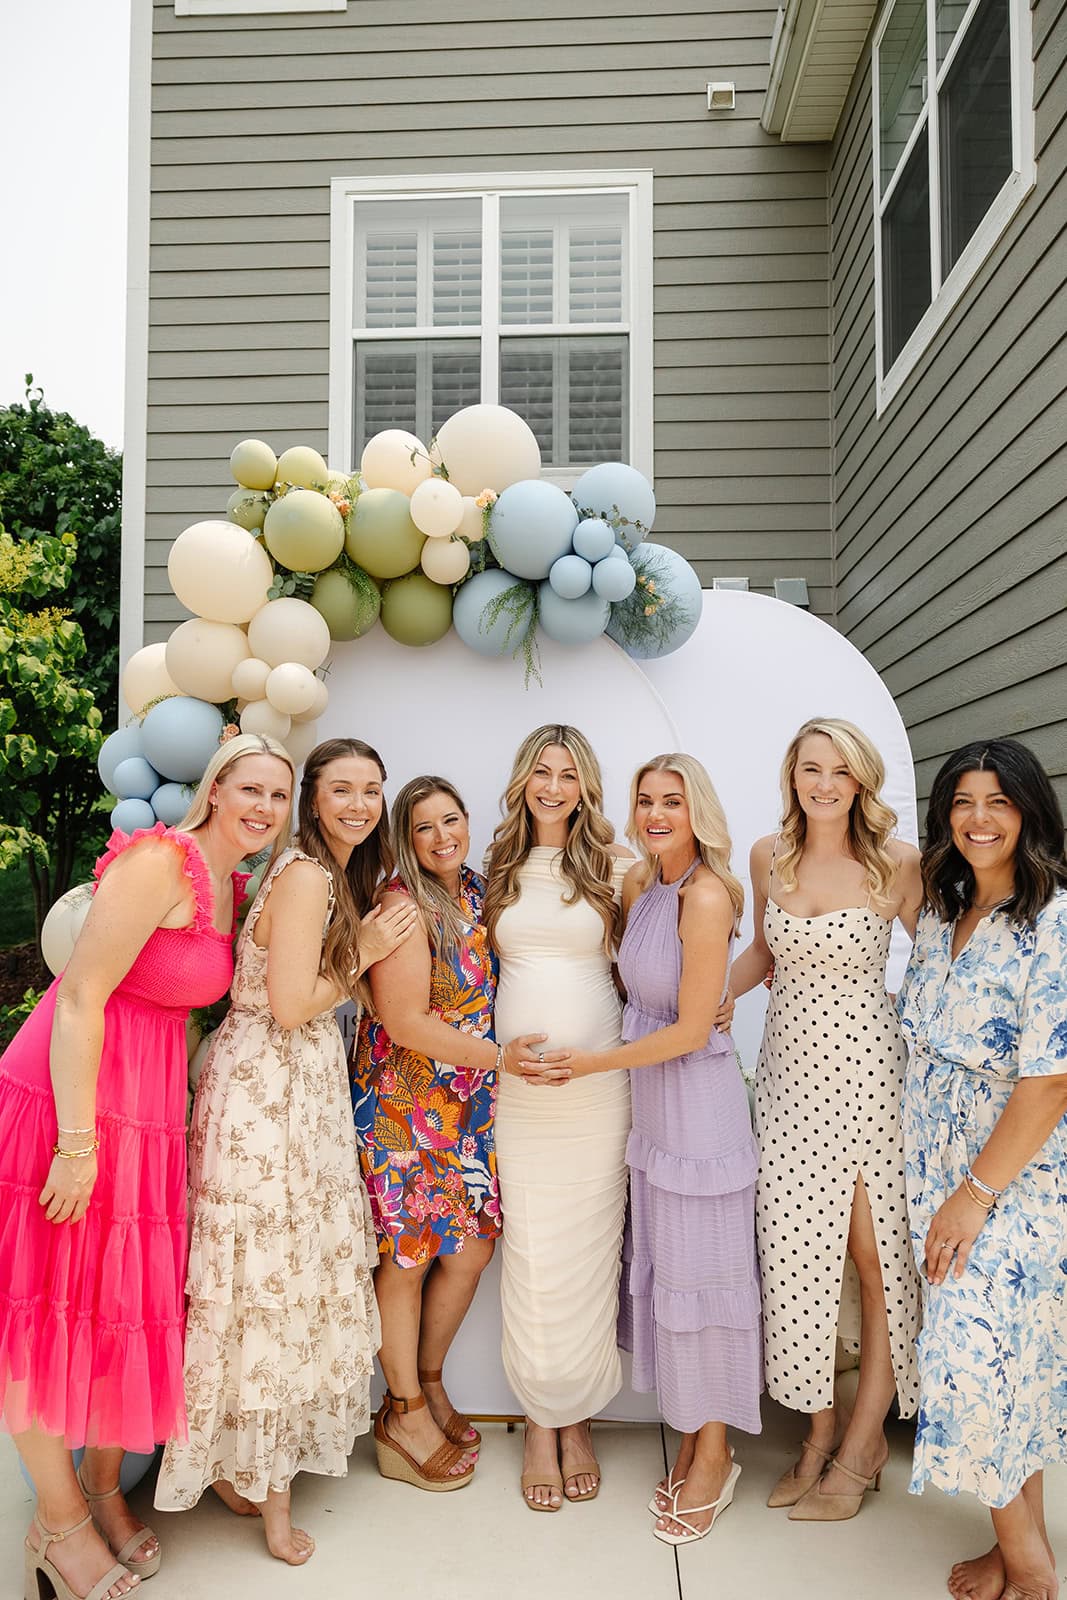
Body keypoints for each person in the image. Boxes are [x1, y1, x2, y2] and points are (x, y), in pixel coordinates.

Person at [0, 733, 294, 1600]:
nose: (264, 808)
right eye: (250, 788)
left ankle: (97, 1492)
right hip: (72, 1104)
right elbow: (83, 993)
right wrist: (79, 1144)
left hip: (147, 1112)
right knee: (42, 1308)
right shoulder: (161, 861)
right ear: (212, 788)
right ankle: (56, 1526)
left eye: (279, 796)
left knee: (111, 1306)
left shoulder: (234, 886)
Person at [156, 737, 416, 1563]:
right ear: (313, 800)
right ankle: (270, 1504)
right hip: (271, 1089)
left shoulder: (325, 874)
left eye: (372, 790)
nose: (359, 803)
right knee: (268, 1283)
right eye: (341, 788)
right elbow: (296, 1004)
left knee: (272, 1282)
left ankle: (240, 1470)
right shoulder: (305, 875)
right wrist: (367, 955)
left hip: (289, 1088)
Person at [562, 754, 761, 1546]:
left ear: (696, 810)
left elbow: (686, 1029)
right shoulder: (640, 884)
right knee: (670, 1271)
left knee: (705, 1278)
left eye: (671, 802)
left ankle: (715, 1453)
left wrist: (589, 1064)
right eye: (644, 800)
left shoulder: (706, 894)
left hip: (698, 1110)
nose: (654, 813)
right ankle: (689, 1434)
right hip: (652, 1111)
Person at [729, 717, 923, 1520]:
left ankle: (864, 1441)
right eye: (811, 768)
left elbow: (940, 970)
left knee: (873, 1260)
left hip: (869, 1077)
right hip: (786, 1080)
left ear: (861, 782)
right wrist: (702, 1000)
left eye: (839, 771)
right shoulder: (765, 858)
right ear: (793, 776)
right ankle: (816, 1429)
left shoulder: (897, 865)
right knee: (792, 1250)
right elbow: (763, 959)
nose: (824, 783)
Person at [352, 775, 560, 1494]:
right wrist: (503, 1057)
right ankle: (402, 1410)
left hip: (466, 1109)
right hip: (405, 1106)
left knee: (470, 1250)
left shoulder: (477, 889)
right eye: (423, 829)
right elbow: (406, 1022)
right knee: (407, 1260)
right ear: (403, 842)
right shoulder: (401, 906)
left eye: (452, 821)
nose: (442, 838)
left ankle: (429, 1382)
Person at [896, 738, 1067, 1600]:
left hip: (1010, 1179)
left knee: (970, 1360)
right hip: (934, 1165)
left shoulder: (1055, 920)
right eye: (962, 801)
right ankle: (1015, 1543)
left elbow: (1049, 1082)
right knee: (1012, 1367)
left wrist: (972, 1197)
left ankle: (1032, 1567)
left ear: (1029, 810)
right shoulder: (939, 910)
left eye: (997, 801)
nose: (978, 817)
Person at [484, 724, 638, 1512]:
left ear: (585, 787)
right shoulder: (496, 868)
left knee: (589, 1247)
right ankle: (538, 1423)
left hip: (596, 1089)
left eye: (567, 775)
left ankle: (577, 1419)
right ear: (523, 780)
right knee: (533, 1253)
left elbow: (648, 962)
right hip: (520, 1095)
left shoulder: (618, 868)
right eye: (540, 771)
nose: (552, 786)